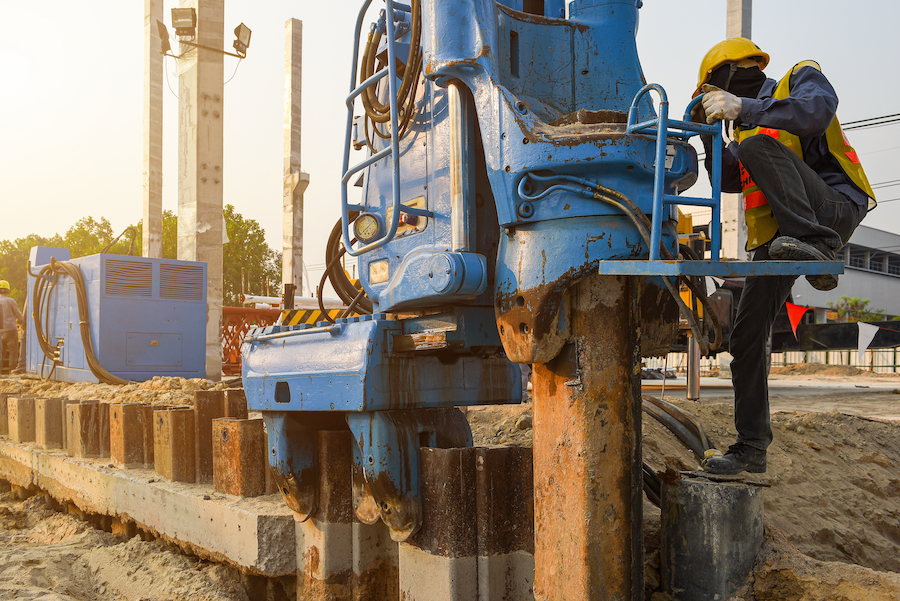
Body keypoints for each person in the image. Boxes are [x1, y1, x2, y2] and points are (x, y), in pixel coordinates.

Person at [693, 38, 876, 475]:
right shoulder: (746, 130)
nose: (714, 100)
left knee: (757, 147)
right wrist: (703, 136)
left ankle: (817, 246)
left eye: (710, 91)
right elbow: (729, 181)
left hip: (832, 213)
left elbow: (816, 112)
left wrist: (744, 110)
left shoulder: (798, 79)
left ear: (731, 73)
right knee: (746, 338)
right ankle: (752, 446)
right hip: (780, 242)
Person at [0, 280, 24, 375]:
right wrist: (21, 321)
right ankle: (11, 371)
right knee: (13, 352)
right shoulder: (10, 301)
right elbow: (19, 315)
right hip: (10, 330)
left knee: (1, 352)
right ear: (7, 291)